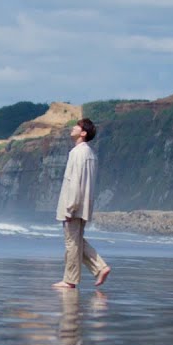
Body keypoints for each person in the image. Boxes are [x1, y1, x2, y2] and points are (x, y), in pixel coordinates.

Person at [52, 118, 111, 289]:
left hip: (74, 204)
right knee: (76, 240)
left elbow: (74, 181)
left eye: (77, 126)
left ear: (83, 133)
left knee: (72, 242)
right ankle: (100, 268)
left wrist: (70, 207)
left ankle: (70, 280)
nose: (73, 128)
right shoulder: (91, 154)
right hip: (84, 203)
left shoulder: (77, 152)